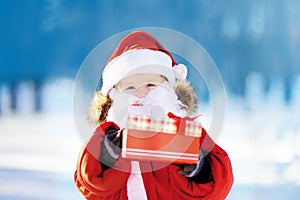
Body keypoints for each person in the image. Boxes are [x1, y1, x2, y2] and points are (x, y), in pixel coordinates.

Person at [74, 31, 233, 200]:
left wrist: (199, 169)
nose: (141, 93)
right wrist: (109, 156)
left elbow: (219, 183)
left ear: (169, 90)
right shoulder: (107, 137)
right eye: (130, 88)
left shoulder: (185, 134)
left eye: (150, 85)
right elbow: (89, 184)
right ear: (114, 95)